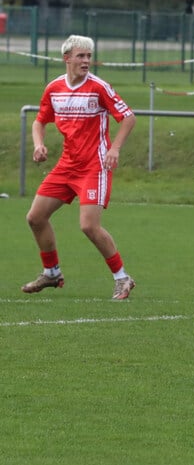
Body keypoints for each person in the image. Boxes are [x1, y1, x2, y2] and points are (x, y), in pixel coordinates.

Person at [22, 35, 137, 300]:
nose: (86, 61)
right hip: (67, 165)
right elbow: (39, 121)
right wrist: (38, 145)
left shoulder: (99, 87)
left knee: (88, 226)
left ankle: (123, 278)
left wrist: (115, 148)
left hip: (94, 166)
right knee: (35, 217)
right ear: (67, 58)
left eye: (89, 56)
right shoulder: (54, 88)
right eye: (81, 56)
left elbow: (128, 118)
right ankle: (51, 272)